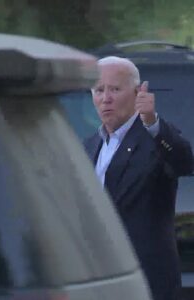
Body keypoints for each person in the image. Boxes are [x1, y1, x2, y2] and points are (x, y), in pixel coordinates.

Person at [84, 56, 194, 300]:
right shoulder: (90, 146)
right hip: (99, 278)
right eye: (99, 90)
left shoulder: (154, 139)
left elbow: (184, 161)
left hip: (145, 281)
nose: (106, 98)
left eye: (115, 89)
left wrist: (152, 123)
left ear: (137, 93)